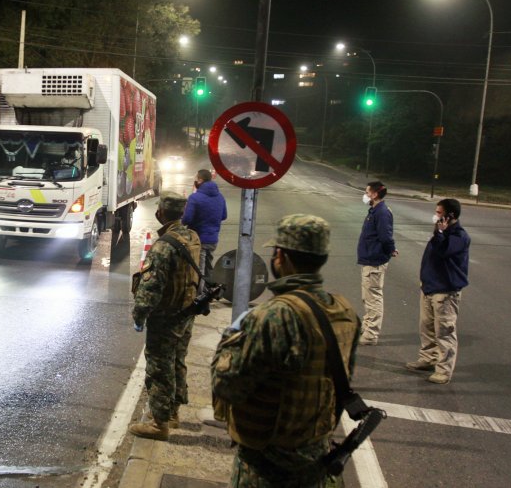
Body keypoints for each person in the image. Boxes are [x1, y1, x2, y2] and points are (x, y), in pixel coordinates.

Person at [211, 214, 360, 487]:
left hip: (267, 467)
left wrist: (230, 339)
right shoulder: (344, 312)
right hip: (316, 458)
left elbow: (227, 386)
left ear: (281, 256)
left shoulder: (275, 315)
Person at [129, 191, 201, 441]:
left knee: (159, 367)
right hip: (186, 314)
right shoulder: (192, 236)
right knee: (178, 362)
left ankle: (159, 424)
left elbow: (151, 287)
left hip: (166, 317)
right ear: (181, 213)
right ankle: (172, 413)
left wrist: (139, 315)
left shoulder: (163, 246)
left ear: (160, 213)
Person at [406, 199, 470, 385]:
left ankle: (443, 370)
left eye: (439, 213)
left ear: (450, 216)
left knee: (444, 332)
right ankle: (428, 358)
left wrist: (441, 232)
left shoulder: (459, 236)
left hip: (445, 291)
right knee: (426, 327)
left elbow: (444, 252)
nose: (436, 216)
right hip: (430, 288)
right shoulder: (441, 233)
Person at [356, 181, 398, 345]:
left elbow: (385, 237)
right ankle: (367, 326)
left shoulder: (382, 213)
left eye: (367, 192)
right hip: (369, 258)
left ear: (374, 194)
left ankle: (371, 334)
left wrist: (391, 249)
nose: (365, 195)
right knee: (367, 297)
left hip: (374, 261)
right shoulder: (375, 210)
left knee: (373, 298)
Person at [182, 169, 228, 293]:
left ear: (200, 180)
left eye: (197, 179)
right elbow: (224, 216)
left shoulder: (195, 197)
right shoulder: (220, 197)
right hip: (213, 239)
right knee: (208, 267)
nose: (195, 181)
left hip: (198, 239)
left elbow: (187, 219)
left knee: (199, 269)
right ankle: (209, 292)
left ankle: (199, 296)